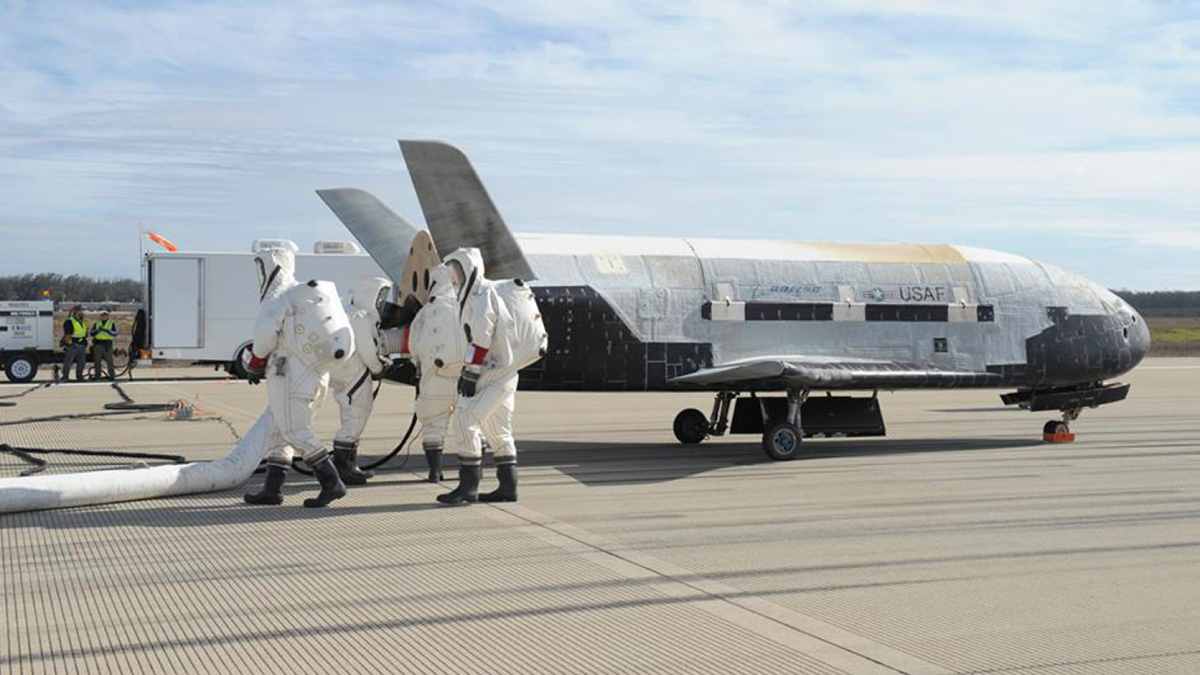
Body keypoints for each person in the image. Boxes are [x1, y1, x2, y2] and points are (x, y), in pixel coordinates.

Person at [242, 246, 354, 508]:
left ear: (272, 266)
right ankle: (272, 489)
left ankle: (331, 482)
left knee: (294, 430)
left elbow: (264, 336)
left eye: (262, 267)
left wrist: (256, 362)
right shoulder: (302, 297)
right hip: (314, 374)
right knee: (280, 432)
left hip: (290, 376)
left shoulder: (280, 298)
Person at [437, 247, 522, 505]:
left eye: (456, 271)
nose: (453, 277)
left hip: (492, 373)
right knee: (498, 430)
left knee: (465, 420)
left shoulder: (482, 295)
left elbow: (481, 337)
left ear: (469, 269)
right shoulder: (481, 294)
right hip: (504, 372)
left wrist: (471, 373)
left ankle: (468, 487)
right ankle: (508, 487)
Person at [382, 263, 465, 484]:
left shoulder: (426, 312)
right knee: (469, 423)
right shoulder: (465, 306)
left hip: (434, 375)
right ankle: (472, 476)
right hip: (464, 376)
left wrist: (420, 362)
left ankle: (435, 471)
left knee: (433, 424)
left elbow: (413, 343)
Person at [327, 276, 393, 486]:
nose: (381, 301)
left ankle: (346, 465)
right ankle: (345, 467)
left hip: (342, 372)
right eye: (380, 295)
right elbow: (366, 349)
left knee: (350, 415)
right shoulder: (360, 317)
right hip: (355, 373)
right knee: (356, 415)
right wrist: (378, 367)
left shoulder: (345, 311)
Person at [59, 305, 88, 382]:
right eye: (80, 310)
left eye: (82, 311)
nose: (82, 312)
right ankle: (65, 377)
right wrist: (69, 344)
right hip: (73, 345)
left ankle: (79, 377)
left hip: (82, 345)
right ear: (75, 311)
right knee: (68, 362)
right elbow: (67, 334)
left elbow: (84, 333)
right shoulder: (69, 321)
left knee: (81, 363)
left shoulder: (82, 321)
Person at [89, 309, 119, 380]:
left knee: (109, 361)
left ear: (108, 316)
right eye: (102, 315)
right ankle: (97, 376)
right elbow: (92, 333)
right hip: (98, 344)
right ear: (100, 316)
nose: (104, 316)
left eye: (105, 315)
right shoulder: (96, 323)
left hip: (108, 345)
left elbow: (115, 333)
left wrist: (107, 331)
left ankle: (112, 376)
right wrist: (98, 330)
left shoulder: (112, 323)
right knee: (97, 361)